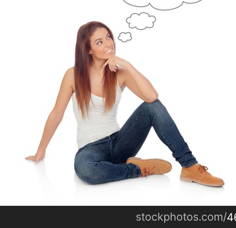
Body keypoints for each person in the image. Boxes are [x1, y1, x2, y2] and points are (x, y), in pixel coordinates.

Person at [26, 21, 224, 187]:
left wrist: (127, 65)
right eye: (99, 41)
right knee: (86, 170)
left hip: (121, 142)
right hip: (91, 148)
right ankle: (138, 169)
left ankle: (190, 167)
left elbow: (152, 97)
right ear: (88, 49)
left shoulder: (119, 72)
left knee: (152, 107)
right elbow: (56, 114)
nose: (108, 44)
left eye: (109, 37)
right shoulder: (73, 75)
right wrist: (40, 151)